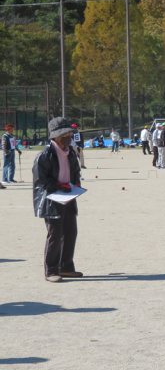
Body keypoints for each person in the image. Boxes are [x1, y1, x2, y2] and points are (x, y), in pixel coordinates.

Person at [33, 117, 83, 282]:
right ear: (56, 137)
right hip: (51, 199)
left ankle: (66, 267)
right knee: (55, 235)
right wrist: (58, 185)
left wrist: (75, 183)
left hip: (69, 197)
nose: (69, 137)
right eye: (66, 134)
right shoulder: (45, 155)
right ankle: (51, 270)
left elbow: (75, 172)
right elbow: (40, 180)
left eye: (69, 134)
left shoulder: (70, 153)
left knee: (71, 232)